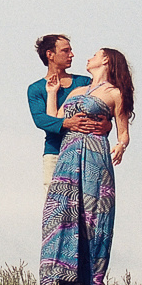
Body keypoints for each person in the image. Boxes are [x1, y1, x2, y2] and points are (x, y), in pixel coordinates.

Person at [39, 47, 135, 285]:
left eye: (95, 54)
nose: (89, 57)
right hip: (68, 154)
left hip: (94, 155)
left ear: (106, 60)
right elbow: (54, 118)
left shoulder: (115, 93)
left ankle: (89, 281)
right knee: (61, 209)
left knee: (92, 213)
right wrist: (52, 93)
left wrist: (120, 146)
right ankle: (58, 279)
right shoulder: (77, 90)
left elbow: (123, 131)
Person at [28, 35, 110, 192]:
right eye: (65, 51)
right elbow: (40, 119)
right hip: (55, 152)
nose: (71, 55)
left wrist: (108, 124)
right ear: (50, 54)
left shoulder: (85, 83)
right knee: (54, 202)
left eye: (70, 50)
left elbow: (104, 107)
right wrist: (67, 123)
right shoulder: (36, 89)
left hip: (85, 151)